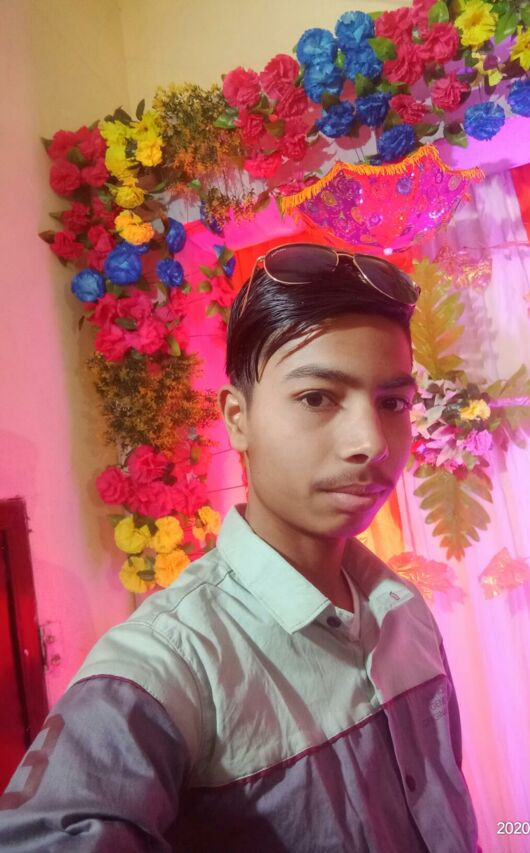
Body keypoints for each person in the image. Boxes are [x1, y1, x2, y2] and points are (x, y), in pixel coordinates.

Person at [0, 242, 479, 851]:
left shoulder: (404, 611)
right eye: (317, 397)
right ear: (237, 418)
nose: (372, 442)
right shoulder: (171, 664)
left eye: (392, 403)